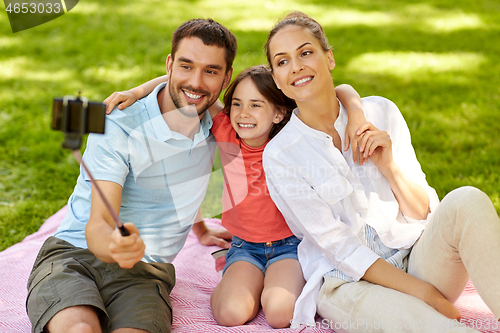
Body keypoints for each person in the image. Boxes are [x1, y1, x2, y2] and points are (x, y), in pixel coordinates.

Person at [262, 11, 500, 333]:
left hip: (416, 257)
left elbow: (422, 212)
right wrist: (423, 292)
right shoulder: (281, 155)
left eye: (306, 52)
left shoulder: (380, 111)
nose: (297, 66)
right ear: (276, 78)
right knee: (429, 326)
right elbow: (338, 247)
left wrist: (389, 168)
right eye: (282, 61)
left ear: (328, 57)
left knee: (467, 199)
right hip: (348, 282)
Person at [104, 64, 367, 328]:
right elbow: (184, 85)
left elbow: (340, 90)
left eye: (256, 105)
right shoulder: (228, 132)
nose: (243, 114)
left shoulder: (293, 139)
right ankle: (231, 275)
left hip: (290, 247)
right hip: (245, 248)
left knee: (279, 313)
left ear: (278, 112)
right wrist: (136, 92)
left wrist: (356, 115)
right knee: (230, 314)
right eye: (237, 104)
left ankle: (268, 284)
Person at [26, 18, 237, 333]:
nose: (196, 82)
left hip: (146, 275)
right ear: (169, 65)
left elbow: (181, 177)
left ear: (226, 77)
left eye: (211, 71)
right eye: (186, 66)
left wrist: (201, 228)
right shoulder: (119, 123)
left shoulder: (220, 124)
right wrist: (114, 245)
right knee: (79, 329)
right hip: (74, 257)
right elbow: (98, 224)